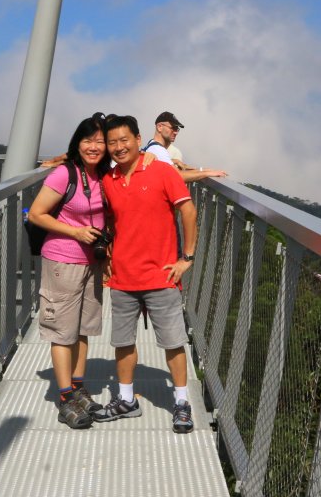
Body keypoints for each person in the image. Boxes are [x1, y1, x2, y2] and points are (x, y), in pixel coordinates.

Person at [92, 113, 199, 433]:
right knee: (122, 342)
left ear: (139, 139)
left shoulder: (162, 171)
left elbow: (188, 210)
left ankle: (181, 402)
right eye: (113, 142)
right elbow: (111, 221)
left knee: (173, 342)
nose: (119, 147)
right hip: (123, 276)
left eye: (125, 140)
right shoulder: (108, 181)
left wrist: (187, 258)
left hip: (161, 275)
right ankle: (126, 399)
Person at [27, 114, 111, 429]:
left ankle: (78, 387)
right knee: (63, 330)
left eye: (100, 142)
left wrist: (199, 174)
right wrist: (75, 233)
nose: (94, 147)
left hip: (93, 261)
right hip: (63, 259)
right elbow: (36, 213)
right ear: (77, 143)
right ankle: (65, 399)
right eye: (88, 140)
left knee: (84, 327)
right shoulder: (65, 174)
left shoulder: (104, 174)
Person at [143, 111, 228, 183]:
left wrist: (203, 170)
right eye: (173, 128)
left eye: (177, 129)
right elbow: (177, 176)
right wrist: (207, 173)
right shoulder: (158, 150)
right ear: (159, 127)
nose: (176, 132)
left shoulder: (152, 145)